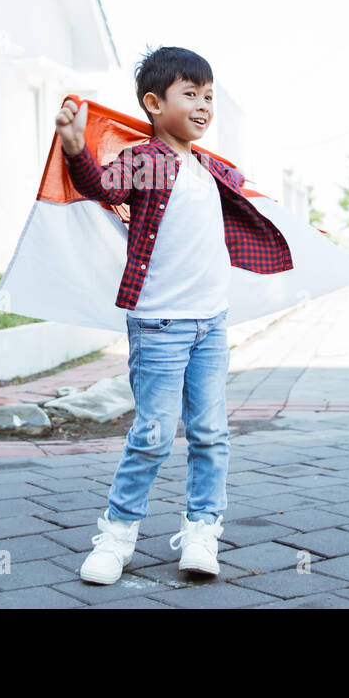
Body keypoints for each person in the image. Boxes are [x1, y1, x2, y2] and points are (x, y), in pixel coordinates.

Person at [54, 46, 293, 585]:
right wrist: (75, 148)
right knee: (154, 435)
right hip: (159, 323)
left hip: (212, 324)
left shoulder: (212, 169)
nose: (205, 106)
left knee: (210, 432)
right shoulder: (146, 159)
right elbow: (102, 187)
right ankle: (117, 535)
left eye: (209, 96)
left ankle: (202, 530)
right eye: (192, 94)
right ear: (154, 103)